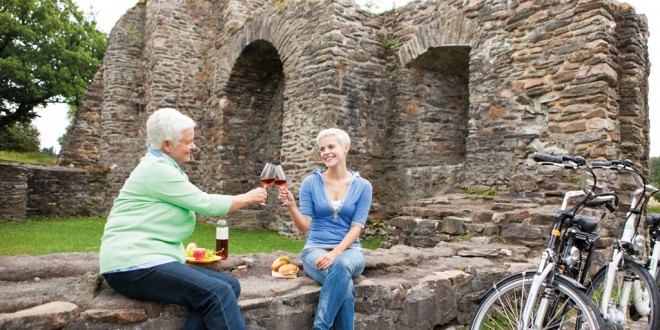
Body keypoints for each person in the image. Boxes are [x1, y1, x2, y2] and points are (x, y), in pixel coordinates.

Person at [99, 108, 267, 330]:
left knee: (230, 284)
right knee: (219, 292)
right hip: (132, 264)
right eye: (188, 142)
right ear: (167, 145)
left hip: (150, 260)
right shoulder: (157, 170)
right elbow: (204, 203)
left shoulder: (163, 166)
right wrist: (247, 198)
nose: (194, 146)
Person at [278, 128, 372, 330]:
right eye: (322, 149)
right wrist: (292, 206)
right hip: (315, 249)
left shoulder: (363, 186)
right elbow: (305, 228)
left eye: (331, 147)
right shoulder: (310, 183)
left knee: (340, 266)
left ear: (345, 148)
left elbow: (357, 227)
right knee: (344, 287)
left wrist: (335, 253)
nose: (326, 152)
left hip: (351, 252)